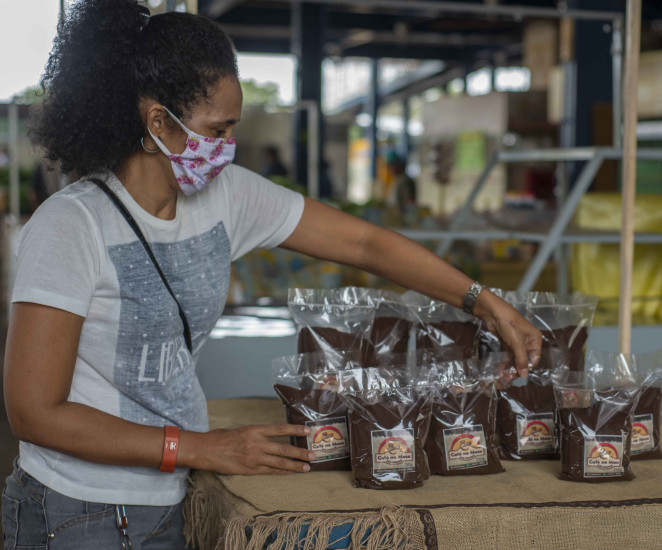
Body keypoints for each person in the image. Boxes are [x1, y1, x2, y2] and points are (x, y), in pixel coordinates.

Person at [1, 1, 542, 547]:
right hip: (76, 511)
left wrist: (482, 301)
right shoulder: (72, 225)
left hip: (168, 501)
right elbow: (34, 412)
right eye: (217, 129)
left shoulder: (225, 197)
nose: (227, 147)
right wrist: (200, 447)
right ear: (158, 120)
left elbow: (364, 242)